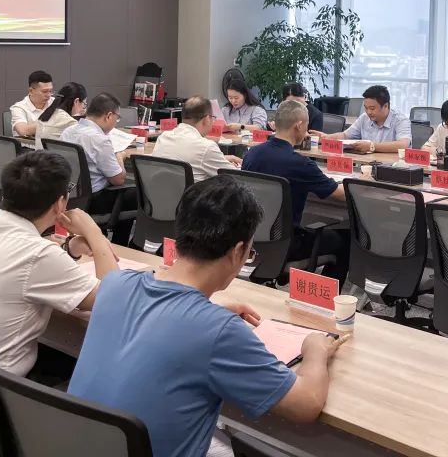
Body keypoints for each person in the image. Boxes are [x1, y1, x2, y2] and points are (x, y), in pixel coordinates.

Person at [68, 176, 348, 457]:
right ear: (238, 252)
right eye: (250, 253)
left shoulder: (115, 284)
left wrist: (209, 314)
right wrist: (315, 350)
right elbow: (305, 404)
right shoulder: (218, 331)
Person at [0, 151, 119, 379]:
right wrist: (93, 232)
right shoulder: (38, 255)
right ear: (60, 203)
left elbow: (22, 264)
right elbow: (114, 301)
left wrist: (70, 248)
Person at [243, 100, 350, 285]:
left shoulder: (252, 154)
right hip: (288, 244)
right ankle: (324, 300)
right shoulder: (300, 164)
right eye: (306, 126)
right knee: (345, 240)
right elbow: (340, 194)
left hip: (250, 239)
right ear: (299, 125)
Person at [60, 93, 138, 245]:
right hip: (95, 200)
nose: (116, 122)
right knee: (138, 194)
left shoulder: (68, 132)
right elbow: (118, 179)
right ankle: (121, 244)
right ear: (109, 116)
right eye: (117, 118)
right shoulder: (99, 139)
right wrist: (120, 157)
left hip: (70, 196)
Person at [151, 96, 241, 182]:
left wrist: (221, 159)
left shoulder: (163, 137)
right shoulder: (206, 147)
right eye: (213, 118)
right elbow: (238, 177)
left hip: (161, 192)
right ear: (207, 119)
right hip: (194, 193)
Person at [311, 85, 411, 154]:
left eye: (372, 108)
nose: (368, 112)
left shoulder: (400, 120)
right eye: (366, 108)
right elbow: (345, 135)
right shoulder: (364, 118)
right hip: (366, 164)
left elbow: (403, 145)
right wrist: (326, 137)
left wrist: (371, 146)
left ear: (385, 106)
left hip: (392, 168)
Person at [10, 70, 54, 138]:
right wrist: (54, 124)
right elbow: (23, 130)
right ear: (31, 91)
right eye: (44, 91)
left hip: (53, 143)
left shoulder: (54, 102)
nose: (48, 95)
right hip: (29, 144)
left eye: (50, 91)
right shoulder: (19, 108)